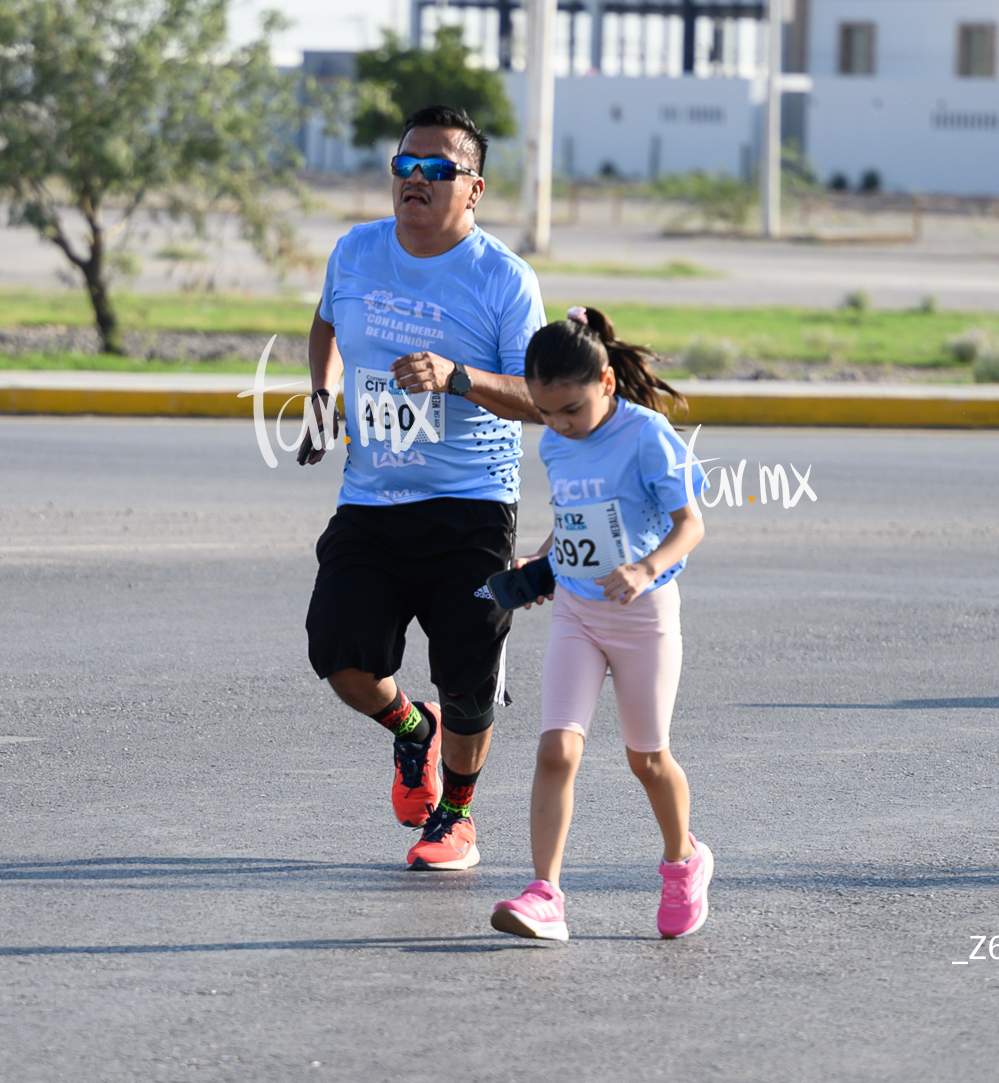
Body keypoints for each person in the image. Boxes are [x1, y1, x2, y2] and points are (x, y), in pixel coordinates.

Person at [296, 104, 545, 872]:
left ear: (473, 189)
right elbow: (324, 321)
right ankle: (413, 731)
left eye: (438, 169)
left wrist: (457, 377)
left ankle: (456, 815)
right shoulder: (357, 251)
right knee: (338, 653)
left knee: (468, 673)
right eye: (407, 165)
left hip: (471, 503)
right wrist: (319, 397)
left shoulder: (503, 279)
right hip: (372, 498)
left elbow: (543, 396)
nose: (417, 179)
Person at [487, 306, 711, 941]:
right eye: (546, 412)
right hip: (578, 614)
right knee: (558, 747)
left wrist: (645, 570)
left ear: (606, 383)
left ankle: (683, 861)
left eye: (571, 411)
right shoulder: (557, 441)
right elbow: (575, 517)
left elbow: (690, 523)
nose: (558, 426)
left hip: (643, 616)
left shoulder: (646, 436)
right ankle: (545, 894)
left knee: (647, 759)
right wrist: (545, 559)